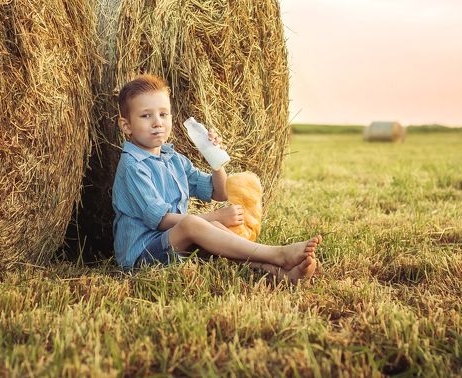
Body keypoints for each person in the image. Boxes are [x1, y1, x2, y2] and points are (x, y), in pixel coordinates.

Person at [111, 74, 320, 283]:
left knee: (216, 230)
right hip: (141, 256)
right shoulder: (133, 166)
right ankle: (278, 254)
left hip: (173, 245)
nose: (158, 123)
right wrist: (214, 217)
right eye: (146, 116)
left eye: (164, 114)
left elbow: (219, 193)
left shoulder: (173, 159)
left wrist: (215, 158)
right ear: (126, 125)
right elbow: (162, 220)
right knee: (195, 224)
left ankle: (280, 273)